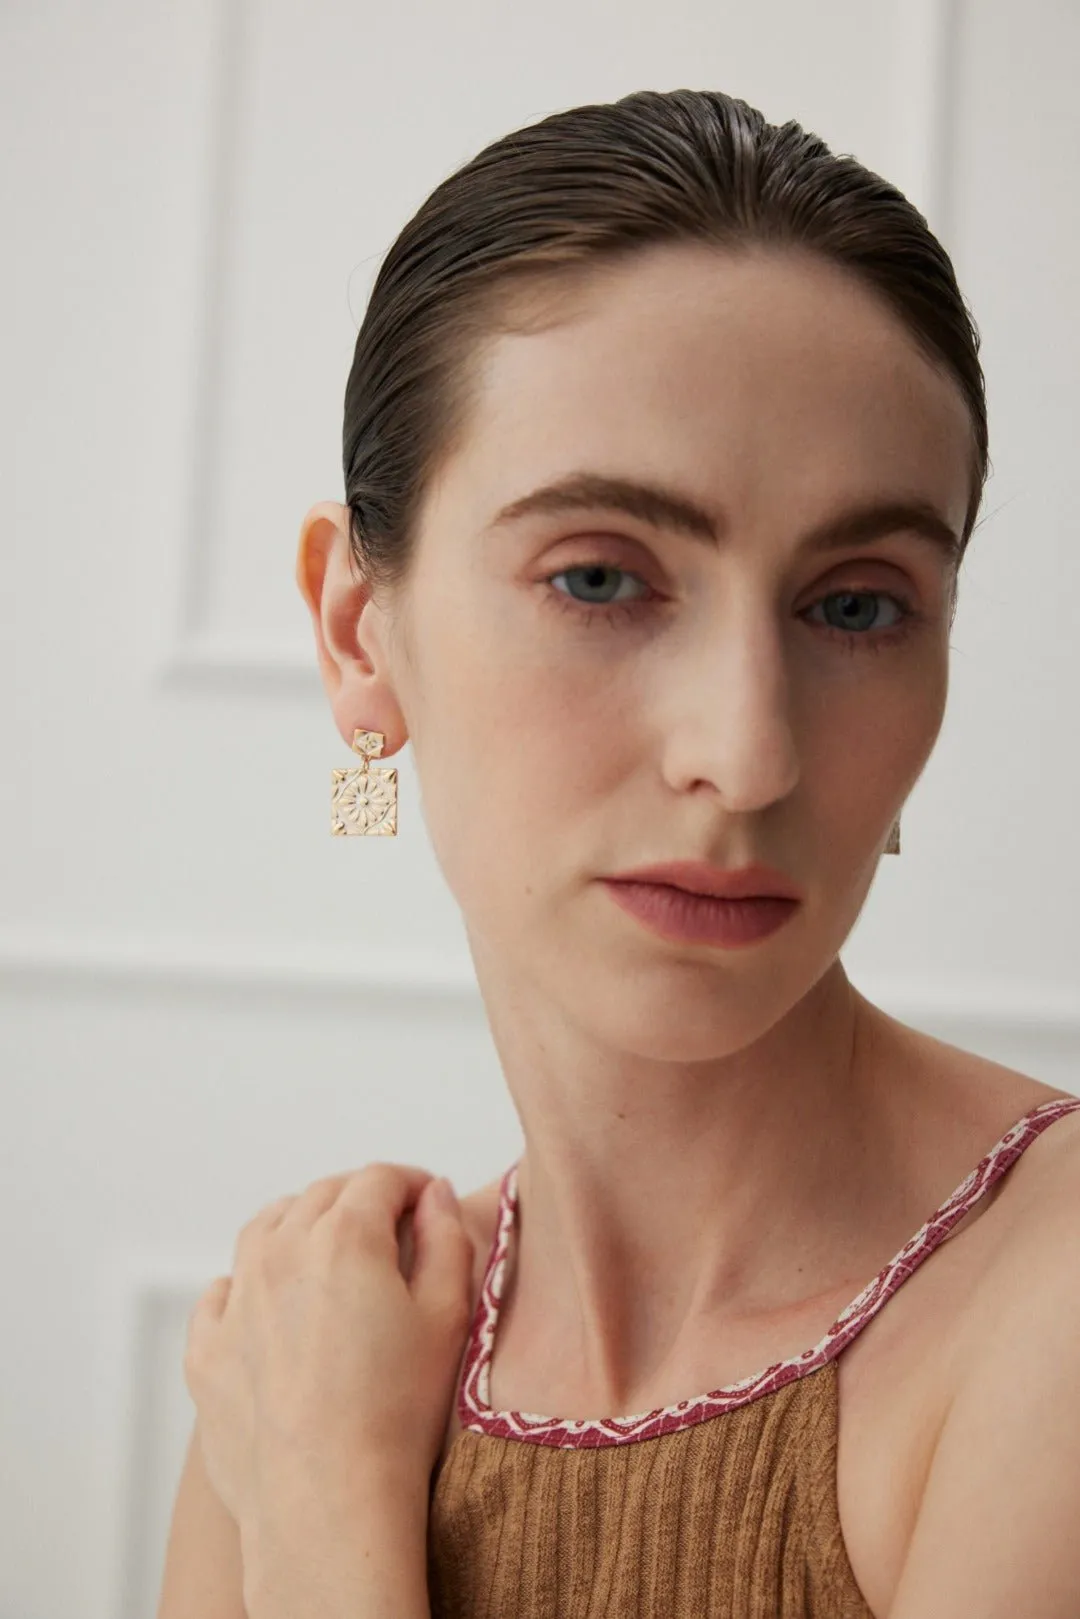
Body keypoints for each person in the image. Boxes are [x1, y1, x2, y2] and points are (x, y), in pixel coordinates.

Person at [160, 88, 1080, 1619]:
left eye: (857, 604)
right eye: (601, 576)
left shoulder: (1054, 1303)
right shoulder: (312, 1347)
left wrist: (331, 1525)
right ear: (356, 634)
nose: (751, 748)